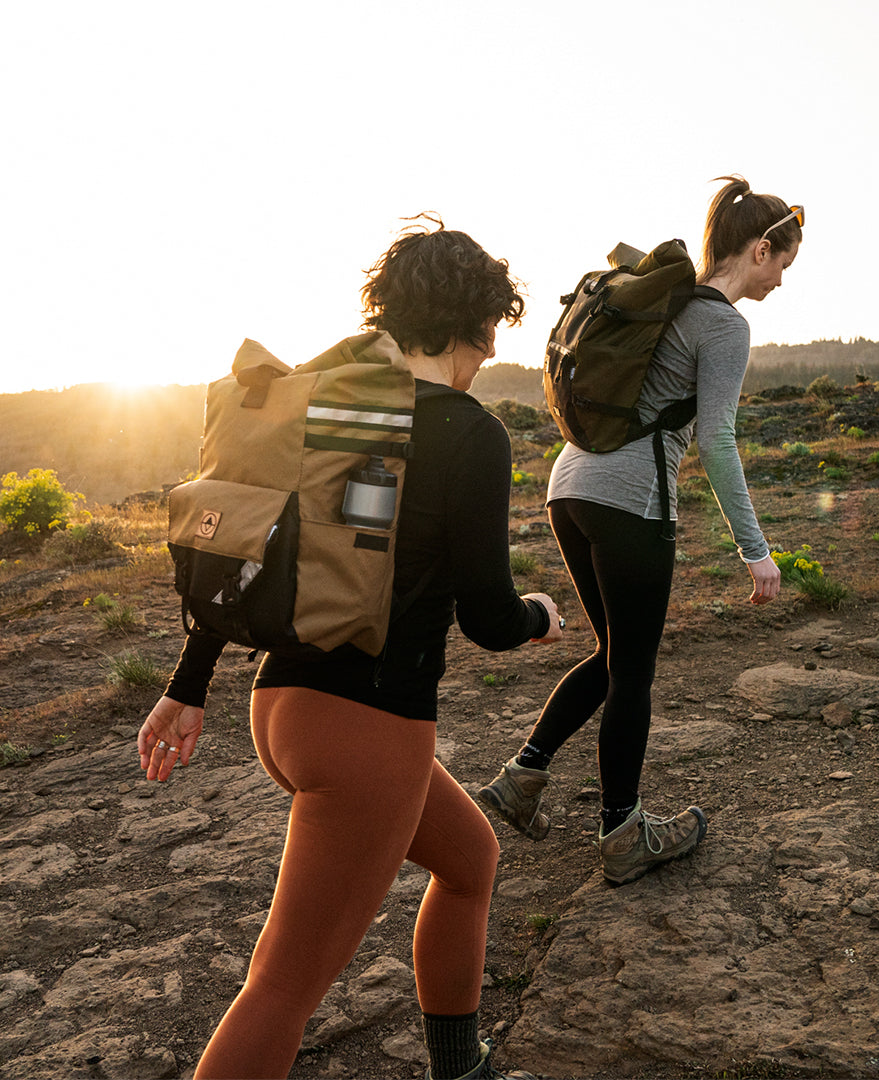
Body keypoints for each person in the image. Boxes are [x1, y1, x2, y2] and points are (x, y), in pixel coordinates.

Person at [137, 218, 562, 1080]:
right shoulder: (469, 432)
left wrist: (187, 686)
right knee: (282, 988)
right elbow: (484, 617)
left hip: (282, 707)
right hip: (370, 728)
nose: (487, 353)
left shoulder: (327, 412)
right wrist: (539, 616)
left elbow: (241, 555)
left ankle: (458, 1065)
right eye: (489, 334)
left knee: (470, 858)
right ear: (475, 325)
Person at [479, 176, 801, 886]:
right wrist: (757, 550)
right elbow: (716, 439)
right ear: (760, 249)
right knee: (633, 670)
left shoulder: (666, 301)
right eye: (782, 263)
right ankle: (623, 831)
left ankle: (521, 778)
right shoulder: (722, 324)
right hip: (630, 499)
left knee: (611, 653)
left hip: (570, 485)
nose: (781, 281)